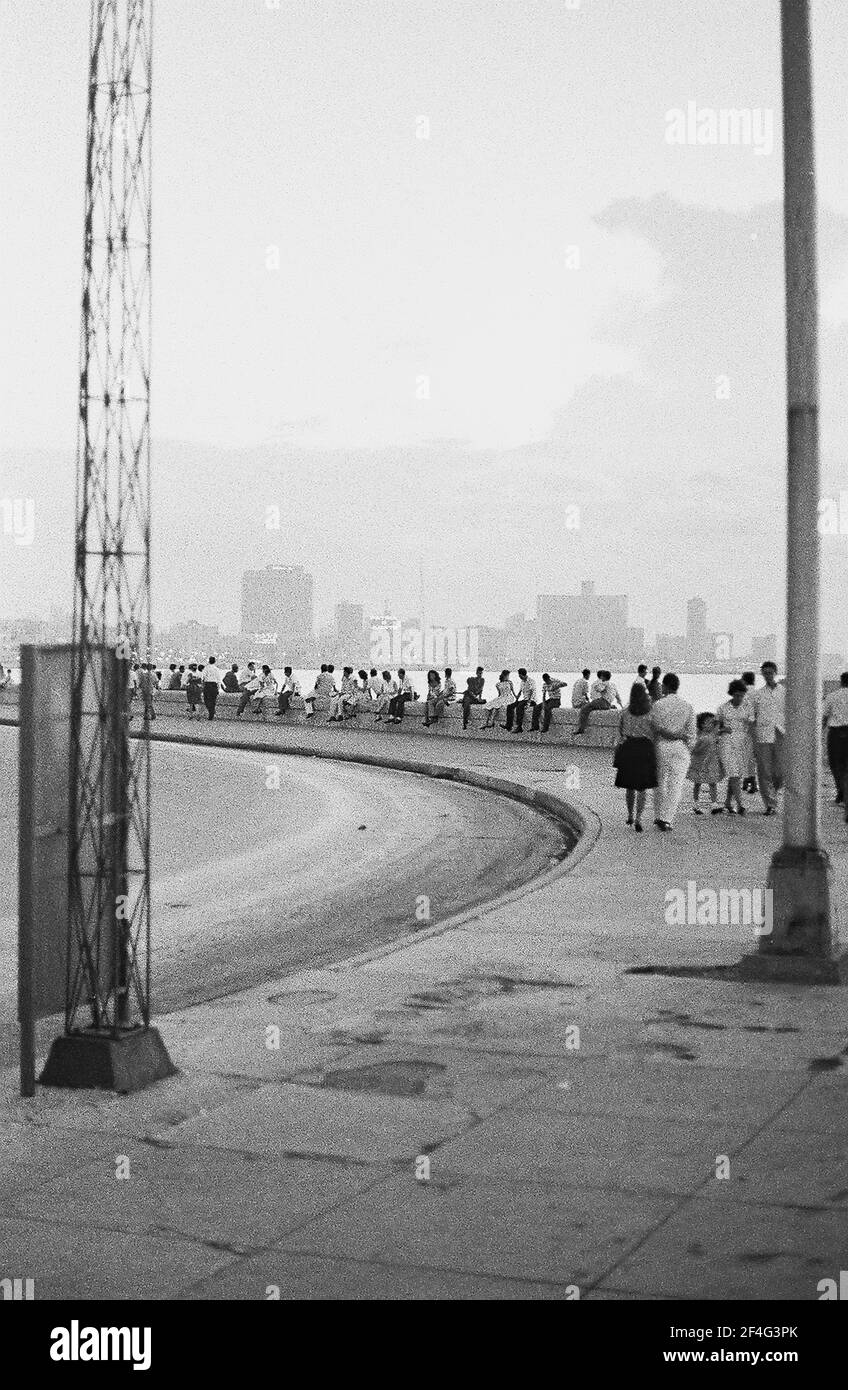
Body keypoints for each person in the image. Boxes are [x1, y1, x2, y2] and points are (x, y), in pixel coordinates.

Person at [649, 672, 696, 831]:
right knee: (676, 785)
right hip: (680, 747)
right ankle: (666, 818)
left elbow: (653, 729)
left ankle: (658, 815)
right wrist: (687, 748)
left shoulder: (658, 705)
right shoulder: (687, 706)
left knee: (659, 783)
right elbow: (692, 734)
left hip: (661, 745)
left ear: (665, 686)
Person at [613, 681, 657, 831]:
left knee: (629, 786)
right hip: (645, 749)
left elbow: (620, 732)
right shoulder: (650, 712)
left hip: (629, 748)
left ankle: (630, 815)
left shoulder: (625, 712)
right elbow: (654, 733)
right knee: (642, 787)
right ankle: (639, 818)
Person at [747, 661, 785, 815]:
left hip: (782, 733)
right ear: (762, 674)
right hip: (763, 735)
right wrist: (753, 738)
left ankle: (773, 793)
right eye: (765, 673)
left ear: (775, 673)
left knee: (781, 772)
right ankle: (770, 803)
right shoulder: (757, 695)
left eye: (770, 672)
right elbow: (751, 718)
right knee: (764, 771)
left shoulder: (785, 692)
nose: (768, 675)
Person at [717, 679, 751, 815]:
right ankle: (740, 804)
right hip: (727, 743)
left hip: (742, 743)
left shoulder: (747, 707)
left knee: (736, 774)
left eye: (741, 695)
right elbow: (715, 727)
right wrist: (722, 728)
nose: (739, 698)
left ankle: (727, 802)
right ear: (732, 694)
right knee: (733, 773)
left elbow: (751, 724)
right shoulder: (723, 708)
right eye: (736, 695)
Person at [687, 712, 725, 814]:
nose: (711, 724)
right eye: (708, 722)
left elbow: (718, 725)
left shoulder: (713, 734)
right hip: (699, 764)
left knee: (712, 783)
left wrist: (718, 722)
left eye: (712, 723)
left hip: (711, 763)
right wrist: (700, 747)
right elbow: (694, 749)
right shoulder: (699, 736)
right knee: (697, 783)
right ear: (702, 724)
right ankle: (695, 804)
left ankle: (714, 804)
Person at [822, 671, 848, 814]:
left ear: (841, 681)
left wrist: (820, 732)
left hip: (836, 733)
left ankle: (841, 791)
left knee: (836, 764)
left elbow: (824, 717)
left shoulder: (832, 696)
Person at [574, 669, 622, 735]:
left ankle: (581, 729)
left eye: (602, 677)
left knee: (584, 709)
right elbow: (618, 698)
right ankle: (611, 707)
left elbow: (600, 689)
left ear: (603, 677)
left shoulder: (605, 683)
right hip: (607, 704)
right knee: (591, 707)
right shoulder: (613, 684)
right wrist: (621, 706)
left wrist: (596, 686)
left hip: (602, 701)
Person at [740, 671, 758, 792]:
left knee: (746, 755)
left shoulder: (743, 694)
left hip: (745, 728)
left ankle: (751, 780)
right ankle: (748, 779)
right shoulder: (757, 693)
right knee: (752, 756)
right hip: (757, 727)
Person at [506, 668, 536, 733]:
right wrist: (516, 700)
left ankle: (519, 727)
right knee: (510, 706)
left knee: (519, 707)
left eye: (520, 676)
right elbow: (520, 692)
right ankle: (508, 725)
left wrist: (528, 703)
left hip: (531, 701)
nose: (519, 677)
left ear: (523, 675)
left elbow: (532, 692)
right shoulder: (522, 682)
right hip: (524, 700)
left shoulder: (531, 681)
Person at [202, 656, 224, 721]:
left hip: (207, 685)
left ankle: (210, 711)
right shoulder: (216, 669)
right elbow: (219, 679)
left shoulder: (206, 668)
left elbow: (203, 677)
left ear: (209, 661)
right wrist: (218, 688)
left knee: (206, 699)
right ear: (215, 661)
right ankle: (212, 712)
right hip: (214, 685)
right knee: (213, 700)